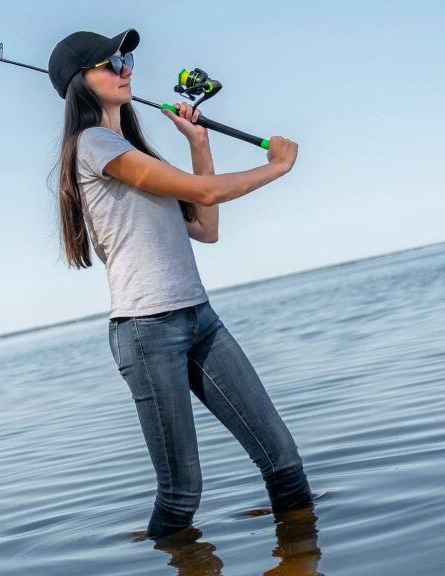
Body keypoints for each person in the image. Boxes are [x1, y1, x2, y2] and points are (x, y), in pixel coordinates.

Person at [47, 28, 315, 541]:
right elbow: (205, 194)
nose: (127, 69)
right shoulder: (92, 145)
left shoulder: (128, 150)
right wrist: (276, 166)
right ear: (80, 82)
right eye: (112, 63)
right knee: (181, 493)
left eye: (127, 60)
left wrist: (199, 142)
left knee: (282, 462)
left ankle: (301, 559)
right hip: (147, 332)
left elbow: (206, 228)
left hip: (199, 319)